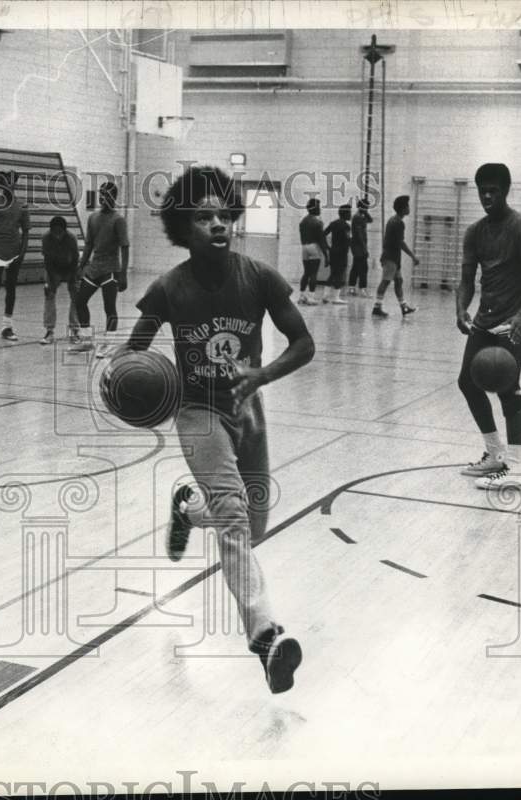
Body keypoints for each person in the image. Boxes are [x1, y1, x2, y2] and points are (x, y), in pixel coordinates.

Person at [124, 166, 315, 694]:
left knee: (253, 529)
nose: (216, 223)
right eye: (202, 216)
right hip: (197, 414)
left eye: (222, 214)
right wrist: (132, 386)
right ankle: (267, 638)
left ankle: (188, 509)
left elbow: (304, 344)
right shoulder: (168, 288)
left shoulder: (259, 277)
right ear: (183, 229)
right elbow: (130, 355)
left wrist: (262, 374)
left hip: (248, 410)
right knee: (234, 520)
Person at [457, 163, 521, 490]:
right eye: (483, 191)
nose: (488, 196)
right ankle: (495, 454)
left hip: (510, 324)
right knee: (467, 382)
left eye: (494, 190)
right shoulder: (474, 232)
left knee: (508, 389)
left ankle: (518, 468)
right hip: (483, 321)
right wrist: (460, 309)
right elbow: (467, 280)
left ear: (505, 191)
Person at [69, 181, 129, 358]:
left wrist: (123, 274)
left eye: (107, 194)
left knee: (109, 307)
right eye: (101, 194)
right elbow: (88, 245)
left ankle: (108, 344)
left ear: (114, 197)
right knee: (80, 301)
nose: (103, 198)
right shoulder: (93, 218)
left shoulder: (118, 220)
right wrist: (81, 266)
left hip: (111, 269)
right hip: (94, 268)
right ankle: (87, 342)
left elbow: (125, 247)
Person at [0, 170, 29, 343]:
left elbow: (25, 232)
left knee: (11, 288)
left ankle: (7, 327)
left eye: (11, 182)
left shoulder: (22, 206)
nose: (8, 185)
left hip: (14, 252)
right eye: (4, 182)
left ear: (14, 184)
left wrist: (22, 253)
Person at [372, 195, 419, 319]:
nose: (409, 208)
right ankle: (377, 307)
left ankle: (403, 307)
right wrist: (413, 256)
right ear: (403, 208)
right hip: (390, 257)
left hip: (393, 257)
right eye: (407, 206)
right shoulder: (398, 222)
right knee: (386, 281)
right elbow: (400, 243)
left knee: (398, 281)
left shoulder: (394, 220)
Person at [40, 215, 80, 345]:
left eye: (59, 232)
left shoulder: (71, 238)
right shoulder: (46, 238)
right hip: (54, 268)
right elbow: (47, 261)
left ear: (64, 231)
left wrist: (72, 278)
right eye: (54, 232)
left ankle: (74, 331)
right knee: (49, 295)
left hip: (70, 267)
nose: (57, 235)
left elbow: (75, 260)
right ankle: (49, 331)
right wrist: (50, 282)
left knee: (76, 296)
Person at [297, 198, 329, 306]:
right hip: (314, 247)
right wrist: (326, 255)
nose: (320, 209)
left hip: (304, 247)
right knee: (314, 273)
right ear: (315, 208)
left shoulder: (303, 221)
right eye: (319, 207)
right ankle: (311, 297)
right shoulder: (317, 222)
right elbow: (321, 240)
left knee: (306, 273)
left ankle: (302, 296)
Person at [322, 203, 352, 305]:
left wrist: (327, 246)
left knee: (333, 273)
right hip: (342, 253)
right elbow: (348, 240)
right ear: (345, 214)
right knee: (340, 274)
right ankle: (336, 297)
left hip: (333, 251)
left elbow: (323, 234)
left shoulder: (333, 223)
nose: (350, 214)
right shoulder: (346, 226)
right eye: (349, 213)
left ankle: (325, 296)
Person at [347, 199, 372, 296]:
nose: (367, 209)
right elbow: (359, 235)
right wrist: (364, 248)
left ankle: (352, 287)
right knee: (363, 267)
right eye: (366, 207)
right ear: (362, 207)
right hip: (358, 245)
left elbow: (370, 220)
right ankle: (362, 288)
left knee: (356, 267)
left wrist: (365, 212)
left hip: (359, 245)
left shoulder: (362, 216)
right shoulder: (357, 217)